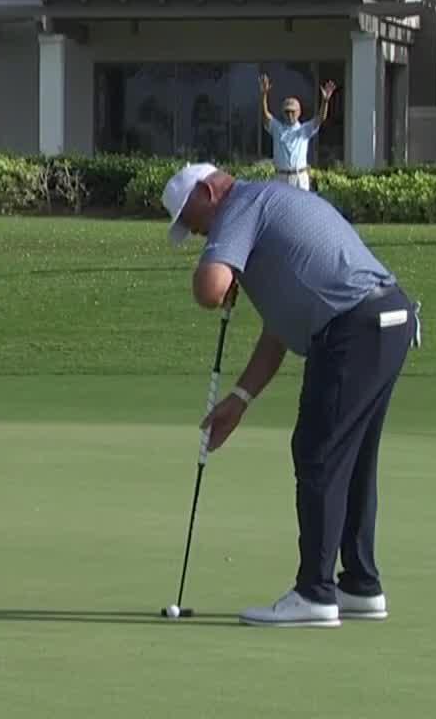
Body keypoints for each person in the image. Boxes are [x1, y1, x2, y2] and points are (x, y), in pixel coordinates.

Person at [160, 162, 418, 628]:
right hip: (388, 320)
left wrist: (225, 273)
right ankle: (360, 584)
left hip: (354, 328)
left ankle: (315, 593)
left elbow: (209, 289)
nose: (197, 233)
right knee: (353, 458)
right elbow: (278, 334)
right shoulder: (270, 207)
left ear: (208, 190)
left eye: (192, 219)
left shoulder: (240, 204)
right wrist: (239, 399)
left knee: (317, 453)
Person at [261, 74, 336, 192]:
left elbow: (321, 118)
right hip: (281, 177)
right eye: (287, 112)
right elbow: (266, 116)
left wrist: (325, 101)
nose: (290, 114)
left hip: (300, 178)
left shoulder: (304, 129)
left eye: (292, 111)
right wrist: (264, 95)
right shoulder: (277, 128)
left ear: (299, 112)